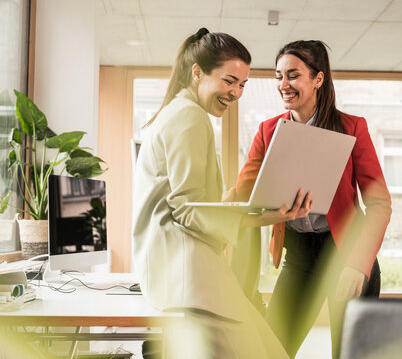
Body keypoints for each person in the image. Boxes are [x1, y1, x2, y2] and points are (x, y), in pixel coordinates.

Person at [132, 28, 313, 358]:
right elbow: (188, 210)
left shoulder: (177, 112)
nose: (236, 93)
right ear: (197, 72)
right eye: (229, 81)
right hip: (188, 273)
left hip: (180, 270)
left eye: (242, 85)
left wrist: (250, 201)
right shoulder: (189, 116)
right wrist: (270, 216)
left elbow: (187, 201)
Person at [235, 40, 392, 358]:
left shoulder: (351, 128)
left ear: (318, 79)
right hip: (299, 256)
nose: (283, 85)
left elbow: (379, 204)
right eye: (279, 76)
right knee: (271, 348)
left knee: (349, 353)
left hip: (346, 252)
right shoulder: (268, 131)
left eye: (292, 75)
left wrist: (357, 265)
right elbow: (243, 197)